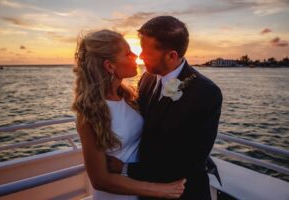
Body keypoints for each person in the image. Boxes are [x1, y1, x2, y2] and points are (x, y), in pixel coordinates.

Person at [107, 16, 223, 200]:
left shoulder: (206, 93)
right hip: (145, 192)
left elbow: (190, 162)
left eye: (146, 51)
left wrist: (125, 168)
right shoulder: (147, 78)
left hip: (182, 194)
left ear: (171, 56)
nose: (140, 56)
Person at [72, 29, 186, 200]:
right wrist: (161, 190)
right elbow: (100, 180)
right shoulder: (90, 113)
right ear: (109, 66)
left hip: (141, 191)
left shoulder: (128, 96)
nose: (136, 56)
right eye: (127, 53)